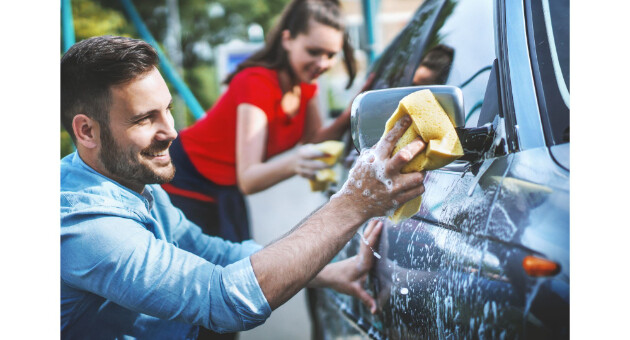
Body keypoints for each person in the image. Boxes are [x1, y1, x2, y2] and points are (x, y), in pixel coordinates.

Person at [60, 35, 427, 339]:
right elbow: (222, 302)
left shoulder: (129, 180)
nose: (171, 131)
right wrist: (354, 203)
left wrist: (331, 273)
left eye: (168, 109)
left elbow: (213, 253)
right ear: (86, 131)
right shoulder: (89, 228)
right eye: (144, 118)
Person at [162, 0, 358, 245]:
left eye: (330, 55)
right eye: (313, 51)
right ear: (287, 40)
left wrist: (351, 113)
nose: (322, 63)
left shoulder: (306, 86)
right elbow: (250, 179)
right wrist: (296, 162)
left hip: (226, 186)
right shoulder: (257, 82)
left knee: (238, 262)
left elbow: (314, 140)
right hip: (186, 177)